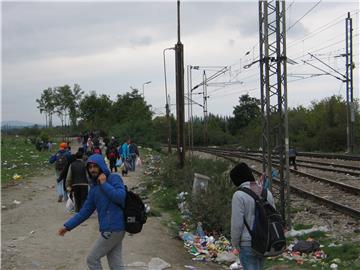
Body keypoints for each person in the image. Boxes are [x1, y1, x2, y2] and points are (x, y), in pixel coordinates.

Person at [58, 154, 126, 270]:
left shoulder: (114, 178)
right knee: (115, 264)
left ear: (102, 166)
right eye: (90, 167)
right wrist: (67, 226)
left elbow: (120, 197)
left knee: (92, 259)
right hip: (112, 229)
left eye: (95, 166)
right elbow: (84, 212)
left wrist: (104, 184)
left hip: (113, 228)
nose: (92, 169)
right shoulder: (94, 189)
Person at [230, 162, 275, 270]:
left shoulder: (239, 195)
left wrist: (235, 244)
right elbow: (273, 215)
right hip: (264, 243)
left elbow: (237, 224)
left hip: (247, 244)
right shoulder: (266, 192)